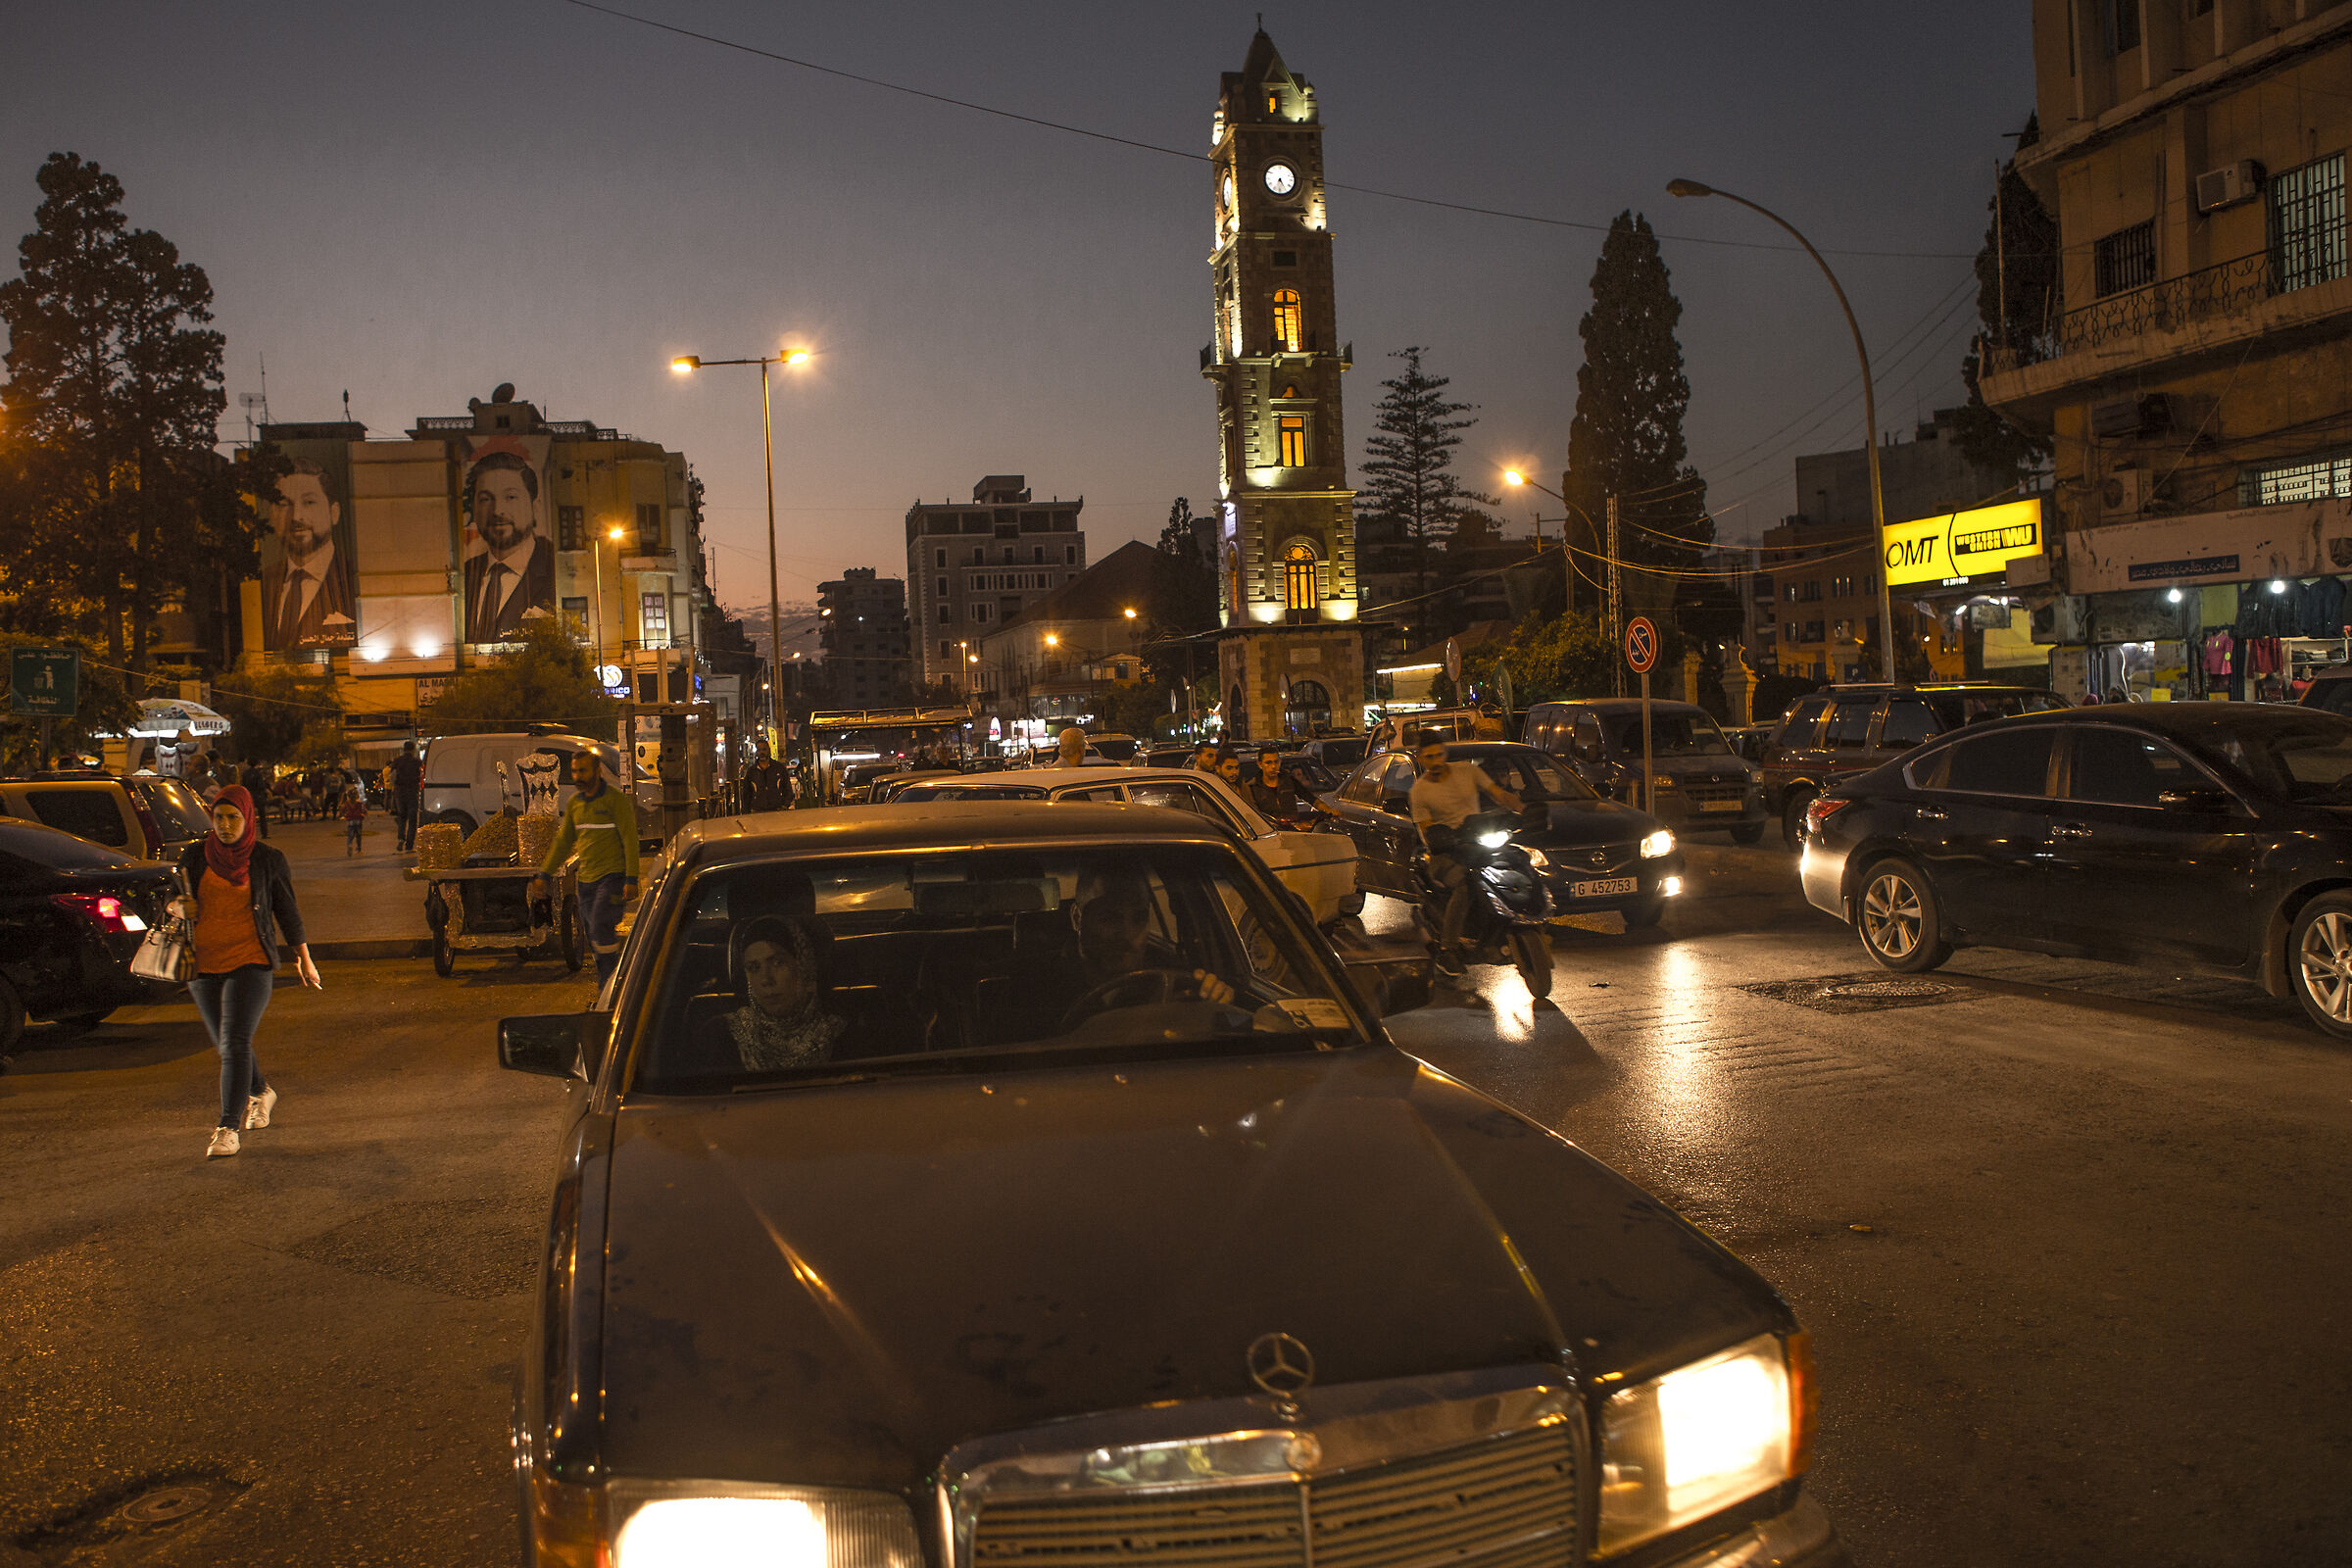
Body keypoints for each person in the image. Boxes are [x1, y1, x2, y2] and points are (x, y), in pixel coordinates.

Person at [171, 785, 321, 1158]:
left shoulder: (268, 859)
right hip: (202, 964)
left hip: (251, 961)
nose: (224, 825)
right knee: (227, 1042)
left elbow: (287, 913)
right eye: (218, 817)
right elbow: (173, 901)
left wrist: (304, 957)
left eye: (232, 817)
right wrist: (179, 907)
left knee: (234, 1043)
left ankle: (226, 1127)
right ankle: (263, 1092)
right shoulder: (194, 856)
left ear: (247, 817)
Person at [1407, 730, 1524, 978]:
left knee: (1518, 863)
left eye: (1439, 754)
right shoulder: (1419, 791)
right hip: (1444, 854)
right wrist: (1441, 839)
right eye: (1429, 757)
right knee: (1466, 884)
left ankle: (1521, 924)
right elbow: (1426, 830)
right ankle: (1448, 949)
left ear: (1445, 752)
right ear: (1420, 758)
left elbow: (1497, 794)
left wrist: (1522, 809)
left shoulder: (1468, 772)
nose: (1436, 761)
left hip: (1478, 844)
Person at [1066, 863, 1235, 1008]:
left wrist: (1221, 1007)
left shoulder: (1171, 981)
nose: (1128, 934)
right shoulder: (1049, 988)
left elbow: (1240, 1025)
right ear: (1077, 918)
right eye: (1109, 919)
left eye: (1139, 918)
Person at [539, 748, 639, 983]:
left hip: (612, 879)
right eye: (574, 771)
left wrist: (632, 879)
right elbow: (563, 842)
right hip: (585, 883)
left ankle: (610, 984)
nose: (577, 777)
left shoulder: (615, 801)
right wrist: (544, 873)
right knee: (595, 937)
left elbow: (630, 840)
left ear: (598, 770)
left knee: (599, 926)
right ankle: (615, 979)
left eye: (582, 770)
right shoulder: (575, 804)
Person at [717, 913, 846, 1071]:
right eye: (753, 968)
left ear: (804, 968)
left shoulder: (845, 1037)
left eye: (778, 963)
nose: (766, 980)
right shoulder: (720, 1036)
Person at [258, 458, 357, 651]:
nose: (296, 517)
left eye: (309, 502)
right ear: (271, 515)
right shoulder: (264, 583)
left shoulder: (353, 578)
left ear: (334, 512)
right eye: (284, 504)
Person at [461, 445, 557, 640]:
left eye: (510, 497)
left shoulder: (553, 571)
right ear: (474, 510)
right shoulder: (465, 575)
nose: (498, 511)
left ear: (535, 507)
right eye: (486, 499)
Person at [1244, 748, 1311, 821]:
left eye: (1276, 762)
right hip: (1270, 829)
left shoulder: (1289, 781)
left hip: (1293, 828)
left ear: (1280, 762)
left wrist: (1324, 809)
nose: (1273, 766)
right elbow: (1253, 815)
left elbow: (1310, 798)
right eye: (1268, 763)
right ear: (1260, 764)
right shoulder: (1253, 787)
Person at [389, 740, 423, 852]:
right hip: (412, 792)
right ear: (413, 750)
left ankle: (400, 838)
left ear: (404, 750)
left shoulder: (397, 761)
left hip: (400, 793)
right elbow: (421, 776)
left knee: (402, 817)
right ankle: (409, 845)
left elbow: (392, 777)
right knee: (412, 820)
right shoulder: (417, 762)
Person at [741, 743, 790, 813]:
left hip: (777, 810)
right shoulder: (751, 771)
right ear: (756, 752)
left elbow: (787, 788)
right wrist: (747, 811)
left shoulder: (779, 768)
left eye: (764, 749)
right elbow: (746, 793)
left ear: (769, 750)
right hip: (757, 812)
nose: (762, 752)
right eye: (759, 750)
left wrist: (785, 805)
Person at [237, 760, 271, 840]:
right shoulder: (258, 773)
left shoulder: (245, 773)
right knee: (262, 815)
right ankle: (264, 833)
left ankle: (248, 834)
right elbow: (260, 785)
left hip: (249, 796)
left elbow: (243, 785)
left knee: (249, 816)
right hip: (258, 796)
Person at [341, 771, 368, 856]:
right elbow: (364, 811)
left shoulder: (347, 804)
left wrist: (343, 815)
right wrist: (365, 814)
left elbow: (342, 810)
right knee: (358, 835)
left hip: (350, 820)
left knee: (350, 835)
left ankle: (349, 845)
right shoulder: (360, 804)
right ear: (357, 796)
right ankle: (358, 849)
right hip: (358, 820)